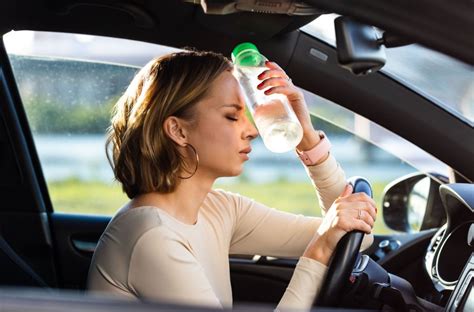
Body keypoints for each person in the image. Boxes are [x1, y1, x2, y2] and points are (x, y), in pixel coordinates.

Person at [87, 50, 377, 310]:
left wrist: (307, 137)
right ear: (178, 130)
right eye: (231, 116)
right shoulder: (151, 236)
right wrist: (321, 248)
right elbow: (329, 242)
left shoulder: (219, 209)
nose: (252, 130)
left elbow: (357, 237)